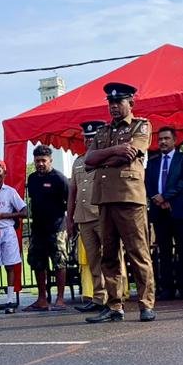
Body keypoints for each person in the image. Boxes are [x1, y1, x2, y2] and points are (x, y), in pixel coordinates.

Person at [84, 83, 156, 322]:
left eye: (119, 102)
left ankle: (146, 304)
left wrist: (103, 158)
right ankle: (114, 306)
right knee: (109, 255)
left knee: (138, 252)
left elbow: (131, 153)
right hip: (104, 198)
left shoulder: (140, 126)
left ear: (131, 103)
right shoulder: (103, 132)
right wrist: (115, 150)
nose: (114, 106)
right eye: (111, 103)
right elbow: (89, 160)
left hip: (129, 197)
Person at [67, 120, 111, 313]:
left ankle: (114, 297)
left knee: (110, 258)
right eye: (86, 138)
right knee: (93, 260)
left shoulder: (107, 159)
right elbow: (72, 192)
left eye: (92, 138)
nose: (88, 141)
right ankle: (99, 297)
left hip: (103, 216)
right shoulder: (78, 162)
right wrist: (70, 219)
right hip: (83, 217)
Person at [145, 127, 183, 300]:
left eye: (166, 138)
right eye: (160, 139)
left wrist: (165, 196)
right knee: (164, 252)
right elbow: (147, 183)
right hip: (159, 212)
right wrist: (156, 198)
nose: (163, 142)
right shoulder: (153, 162)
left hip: (179, 211)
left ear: (174, 140)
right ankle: (167, 288)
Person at [24, 145, 70, 310]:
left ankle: (60, 299)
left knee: (59, 262)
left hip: (57, 228)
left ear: (50, 160)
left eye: (43, 160)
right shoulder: (32, 179)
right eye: (37, 161)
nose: (40, 164)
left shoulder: (60, 179)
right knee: (37, 263)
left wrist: (70, 225)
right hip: (38, 229)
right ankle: (42, 299)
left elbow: (70, 203)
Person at [0, 159, 26, 312]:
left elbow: (24, 211)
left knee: (10, 265)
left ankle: (10, 300)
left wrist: (4, 215)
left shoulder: (10, 191)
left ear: (4, 173)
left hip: (7, 230)